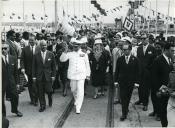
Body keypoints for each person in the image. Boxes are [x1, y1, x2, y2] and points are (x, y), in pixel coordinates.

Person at [60, 38, 91, 114]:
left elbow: (87, 65)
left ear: (80, 46)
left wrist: (88, 75)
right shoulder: (70, 53)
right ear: (73, 46)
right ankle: (77, 100)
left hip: (81, 75)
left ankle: (78, 107)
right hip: (73, 75)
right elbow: (62, 59)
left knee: (80, 91)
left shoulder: (84, 54)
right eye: (74, 46)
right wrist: (65, 51)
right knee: (73, 89)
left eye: (77, 46)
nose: (76, 48)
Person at [115, 44, 140, 121]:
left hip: (131, 82)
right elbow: (117, 71)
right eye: (123, 49)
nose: (125, 51)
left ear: (130, 50)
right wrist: (115, 81)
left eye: (126, 50)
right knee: (123, 97)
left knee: (128, 97)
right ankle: (124, 114)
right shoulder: (120, 59)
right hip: (122, 82)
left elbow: (137, 72)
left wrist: (137, 82)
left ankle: (125, 108)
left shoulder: (135, 59)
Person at [151, 43, 174, 127]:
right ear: (165, 50)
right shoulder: (158, 61)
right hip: (162, 92)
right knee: (163, 112)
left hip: (171, 92)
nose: (173, 52)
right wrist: (158, 91)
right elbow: (154, 78)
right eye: (172, 51)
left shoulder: (171, 60)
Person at [32, 40, 56, 112]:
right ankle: (42, 105)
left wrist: (53, 75)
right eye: (42, 45)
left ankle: (50, 98)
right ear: (40, 46)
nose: (44, 47)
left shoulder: (51, 54)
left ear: (47, 45)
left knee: (49, 90)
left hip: (48, 76)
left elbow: (54, 66)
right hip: (39, 76)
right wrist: (34, 76)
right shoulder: (36, 55)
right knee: (40, 92)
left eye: (45, 45)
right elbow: (34, 67)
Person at [136, 34, 156, 111]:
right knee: (139, 87)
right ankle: (140, 99)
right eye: (142, 38)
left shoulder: (152, 48)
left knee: (146, 88)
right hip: (140, 71)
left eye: (144, 38)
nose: (143, 40)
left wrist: (149, 69)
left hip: (148, 71)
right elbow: (138, 60)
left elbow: (154, 61)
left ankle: (145, 103)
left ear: (147, 39)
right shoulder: (139, 48)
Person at [2, 43, 23, 117]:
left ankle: (15, 110)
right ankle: (3, 115)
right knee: (1, 99)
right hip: (2, 82)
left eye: (5, 48)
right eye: (1, 48)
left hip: (11, 81)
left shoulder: (13, 58)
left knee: (15, 96)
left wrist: (17, 83)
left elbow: (16, 72)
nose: (3, 50)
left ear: (8, 49)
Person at [21, 33, 40, 106]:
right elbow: (22, 59)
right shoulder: (25, 49)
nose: (31, 42)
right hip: (29, 71)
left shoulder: (39, 48)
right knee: (30, 86)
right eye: (30, 41)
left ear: (35, 40)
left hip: (38, 71)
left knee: (37, 86)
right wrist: (22, 68)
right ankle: (32, 99)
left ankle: (36, 100)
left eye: (32, 41)